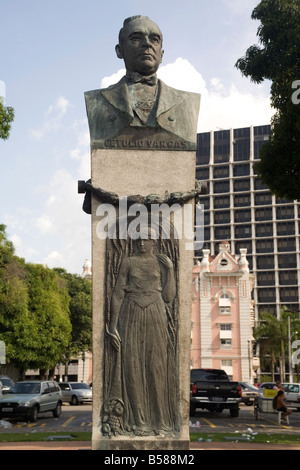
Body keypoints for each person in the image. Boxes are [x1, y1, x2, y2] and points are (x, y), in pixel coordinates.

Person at [85, 15, 200, 148]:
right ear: (119, 51)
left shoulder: (187, 102)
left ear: (161, 55)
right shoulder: (97, 101)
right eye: (136, 38)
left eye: (154, 39)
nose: (147, 43)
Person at [106, 228, 178, 436]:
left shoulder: (161, 262)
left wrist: (171, 270)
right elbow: (118, 292)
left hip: (155, 310)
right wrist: (112, 325)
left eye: (146, 240)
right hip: (131, 311)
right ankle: (140, 422)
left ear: (154, 242)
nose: (142, 244)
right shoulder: (128, 262)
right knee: (133, 366)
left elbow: (168, 297)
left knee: (156, 367)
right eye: (138, 241)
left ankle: (162, 422)